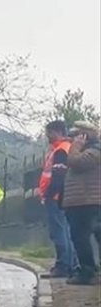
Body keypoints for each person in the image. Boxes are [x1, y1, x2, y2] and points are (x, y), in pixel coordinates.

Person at [62, 122, 101, 285]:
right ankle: (87, 269)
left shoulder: (95, 150)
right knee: (80, 238)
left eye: (76, 135)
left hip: (89, 201)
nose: (73, 139)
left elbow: (76, 163)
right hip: (79, 201)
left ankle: (87, 272)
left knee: (84, 237)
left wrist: (75, 147)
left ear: (84, 135)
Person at [39, 120, 77, 277]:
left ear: (58, 132)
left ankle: (63, 265)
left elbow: (58, 177)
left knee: (59, 231)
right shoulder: (60, 149)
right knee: (64, 231)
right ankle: (70, 264)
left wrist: (49, 194)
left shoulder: (61, 151)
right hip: (58, 196)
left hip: (55, 197)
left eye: (49, 132)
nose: (47, 135)